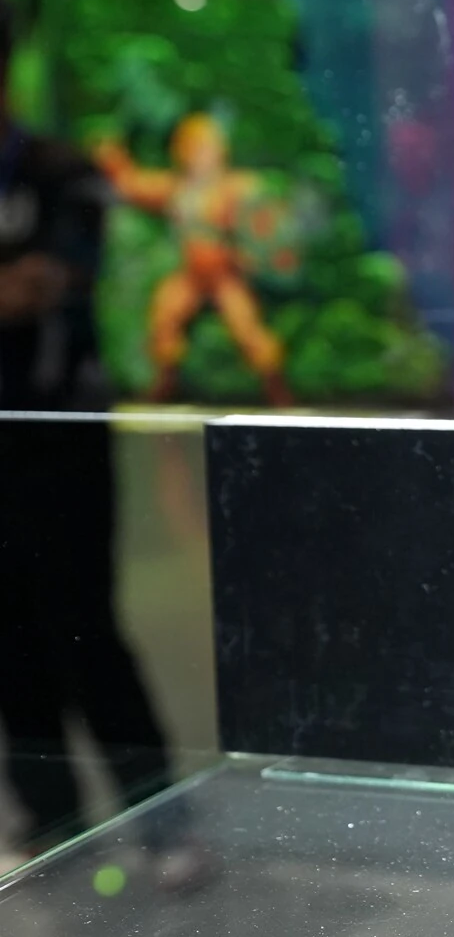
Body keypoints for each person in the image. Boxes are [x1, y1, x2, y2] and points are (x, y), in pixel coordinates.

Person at [0, 96, 194, 883]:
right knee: (11, 641)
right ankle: (50, 821)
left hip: (61, 440)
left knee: (86, 632)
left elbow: (40, 285)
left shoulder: (61, 173)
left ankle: (164, 824)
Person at [93, 112, 292, 404]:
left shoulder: (232, 187)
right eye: (194, 150)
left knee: (246, 328)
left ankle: (279, 393)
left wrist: (255, 252)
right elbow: (133, 185)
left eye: (206, 149)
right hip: (191, 274)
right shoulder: (179, 189)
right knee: (164, 317)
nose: (201, 157)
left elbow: (263, 211)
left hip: (223, 274)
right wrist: (114, 161)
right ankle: (166, 383)